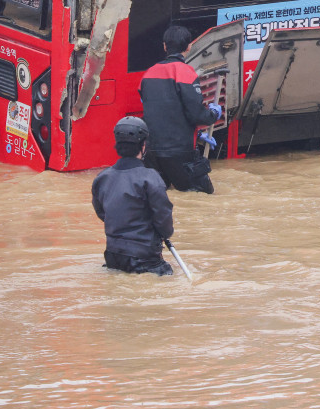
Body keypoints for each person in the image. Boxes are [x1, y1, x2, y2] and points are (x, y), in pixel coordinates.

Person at [139, 25, 222, 193]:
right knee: (204, 199)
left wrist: (197, 134)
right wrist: (213, 114)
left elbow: (159, 112)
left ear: (164, 46)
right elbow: (197, 115)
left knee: (161, 198)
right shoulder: (186, 72)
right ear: (189, 46)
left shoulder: (147, 74)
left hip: (152, 152)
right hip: (180, 152)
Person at [91, 116, 175, 276]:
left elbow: (103, 213)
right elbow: (163, 218)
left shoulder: (102, 178)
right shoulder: (150, 178)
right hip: (144, 258)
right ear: (143, 146)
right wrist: (163, 234)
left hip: (113, 255)